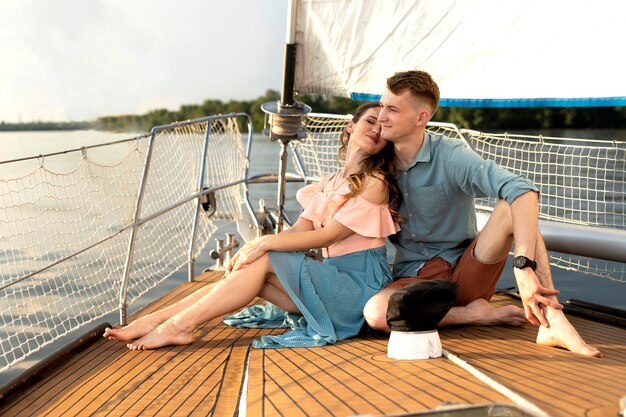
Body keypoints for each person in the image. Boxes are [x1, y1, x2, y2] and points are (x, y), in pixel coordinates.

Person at [104, 102, 401, 350]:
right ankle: (159, 321)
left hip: (360, 288)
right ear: (351, 126)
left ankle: (179, 325)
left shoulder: (375, 182)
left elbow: (327, 235)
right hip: (334, 282)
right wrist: (254, 248)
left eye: (382, 128)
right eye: (370, 121)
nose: (376, 129)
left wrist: (263, 243)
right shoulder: (329, 182)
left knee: (265, 255)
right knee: (255, 267)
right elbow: (299, 230)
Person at [363, 70, 602, 358]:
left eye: (391, 109)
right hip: (415, 282)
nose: (382, 116)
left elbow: (522, 189)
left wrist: (523, 264)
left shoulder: (451, 156)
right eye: (381, 107)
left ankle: (553, 321)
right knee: (377, 314)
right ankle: (473, 314)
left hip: (468, 271)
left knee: (511, 206)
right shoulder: (376, 160)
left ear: (421, 118)